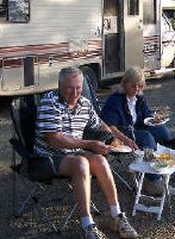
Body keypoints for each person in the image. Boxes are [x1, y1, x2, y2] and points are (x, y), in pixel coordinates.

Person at [34, 66, 138, 239]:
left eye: (79, 87)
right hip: (47, 157)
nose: (75, 92)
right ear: (60, 85)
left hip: (73, 153)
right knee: (82, 163)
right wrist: (89, 144)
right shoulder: (49, 103)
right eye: (70, 88)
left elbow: (100, 125)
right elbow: (54, 139)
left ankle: (116, 216)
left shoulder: (84, 103)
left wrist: (115, 139)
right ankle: (87, 225)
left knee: (100, 161)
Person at [100, 66, 175, 196]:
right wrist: (126, 139)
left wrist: (156, 120)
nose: (137, 89)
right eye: (133, 85)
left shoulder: (139, 98)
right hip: (118, 135)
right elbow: (108, 126)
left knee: (162, 131)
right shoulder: (115, 100)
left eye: (140, 85)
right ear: (125, 83)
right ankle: (153, 182)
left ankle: (167, 165)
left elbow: (146, 118)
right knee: (146, 137)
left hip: (134, 128)